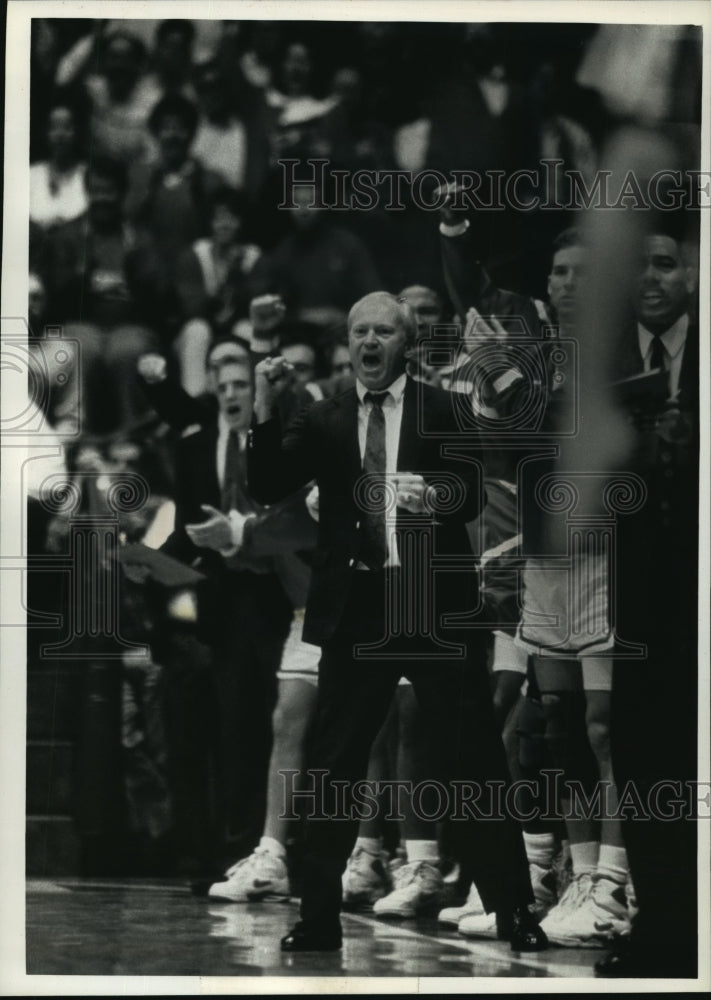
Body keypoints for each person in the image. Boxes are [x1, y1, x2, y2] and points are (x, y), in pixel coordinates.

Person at [248, 291, 547, 953]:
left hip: (431, 605)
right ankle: (318, 915)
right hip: (357, 611)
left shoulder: (441, 408)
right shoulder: (324, 416)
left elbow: (469, 490)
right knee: (334, 766)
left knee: (474, 761)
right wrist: (264, 410)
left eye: (383, 331)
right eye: (359, 331)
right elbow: (266, 483)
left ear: (405, 342)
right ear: (349, 343)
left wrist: (434, 495)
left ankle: (512, 910)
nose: (369, 342)